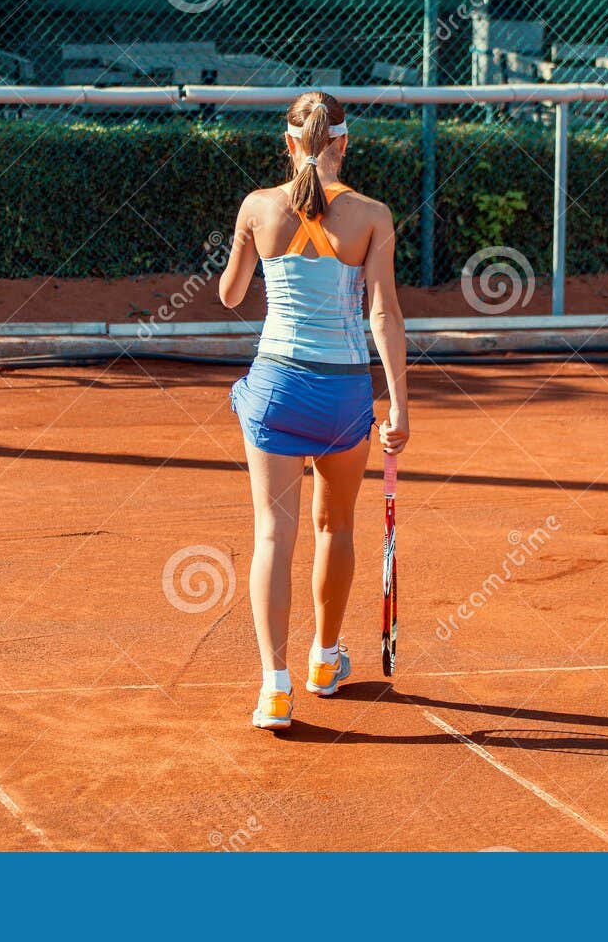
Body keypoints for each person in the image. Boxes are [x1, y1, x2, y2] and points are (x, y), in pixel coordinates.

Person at [218, 90, 410, 732]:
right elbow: (383, 312)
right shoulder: (372, 215)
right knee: (336, 529)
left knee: (273, 535)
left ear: (288, 142)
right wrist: (399, 405)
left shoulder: (256, 206)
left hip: (275, 388)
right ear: (344, 144)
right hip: (345, 395)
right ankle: (325, 662)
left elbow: (230, 294)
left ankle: (274, 690)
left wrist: (247, 248)